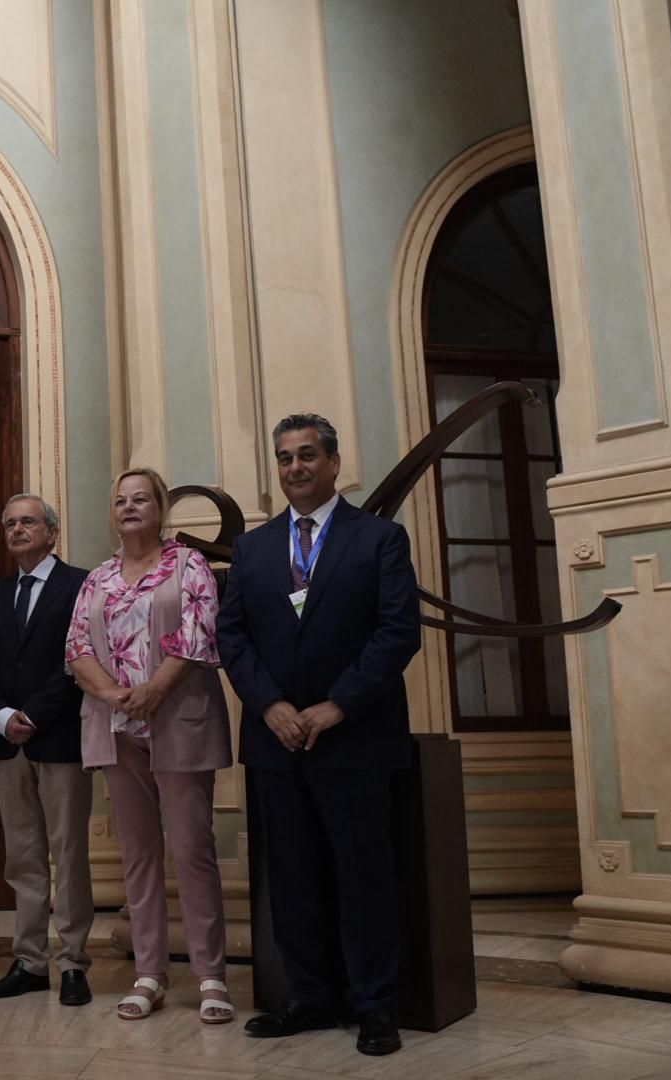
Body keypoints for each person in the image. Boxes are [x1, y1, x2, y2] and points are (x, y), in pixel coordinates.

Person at [216, 413, 420, 1057]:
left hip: (354, 738)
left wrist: (337, 706)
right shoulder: (253, 548)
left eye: (307, 456)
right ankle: (309, 995)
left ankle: (375, 1005)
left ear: (333, 462)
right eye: (285, 459)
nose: (295, 468)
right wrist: (271, 704)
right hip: (275, 740)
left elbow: (397, 633)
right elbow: (232, 636)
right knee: (293, 875)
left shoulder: (381, 538)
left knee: (363, 875)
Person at [65, 467, 233, 1025]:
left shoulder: (189, 567)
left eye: (141, 499)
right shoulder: (98, 577)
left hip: (177, 718)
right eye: (121, 500)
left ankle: (211, 976)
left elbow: (198, 634)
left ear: (161, 509)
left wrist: (153, 690)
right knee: (138, 854)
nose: (130, 507)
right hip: (116, 727)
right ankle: (149, 973)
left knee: (192, 848)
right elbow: (76, 649)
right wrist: (115, 694)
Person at [0, 494, 95, 1007]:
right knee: (22, 858)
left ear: (52, 532)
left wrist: (35, 714)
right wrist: (1, 716)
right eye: (10, 523)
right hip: (6, 743)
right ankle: (29, 961)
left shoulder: (79, 584)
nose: (18, 530)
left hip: (59, 736)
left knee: (68, 854)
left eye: (28, 522)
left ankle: (73, 964)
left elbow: (78, 659)